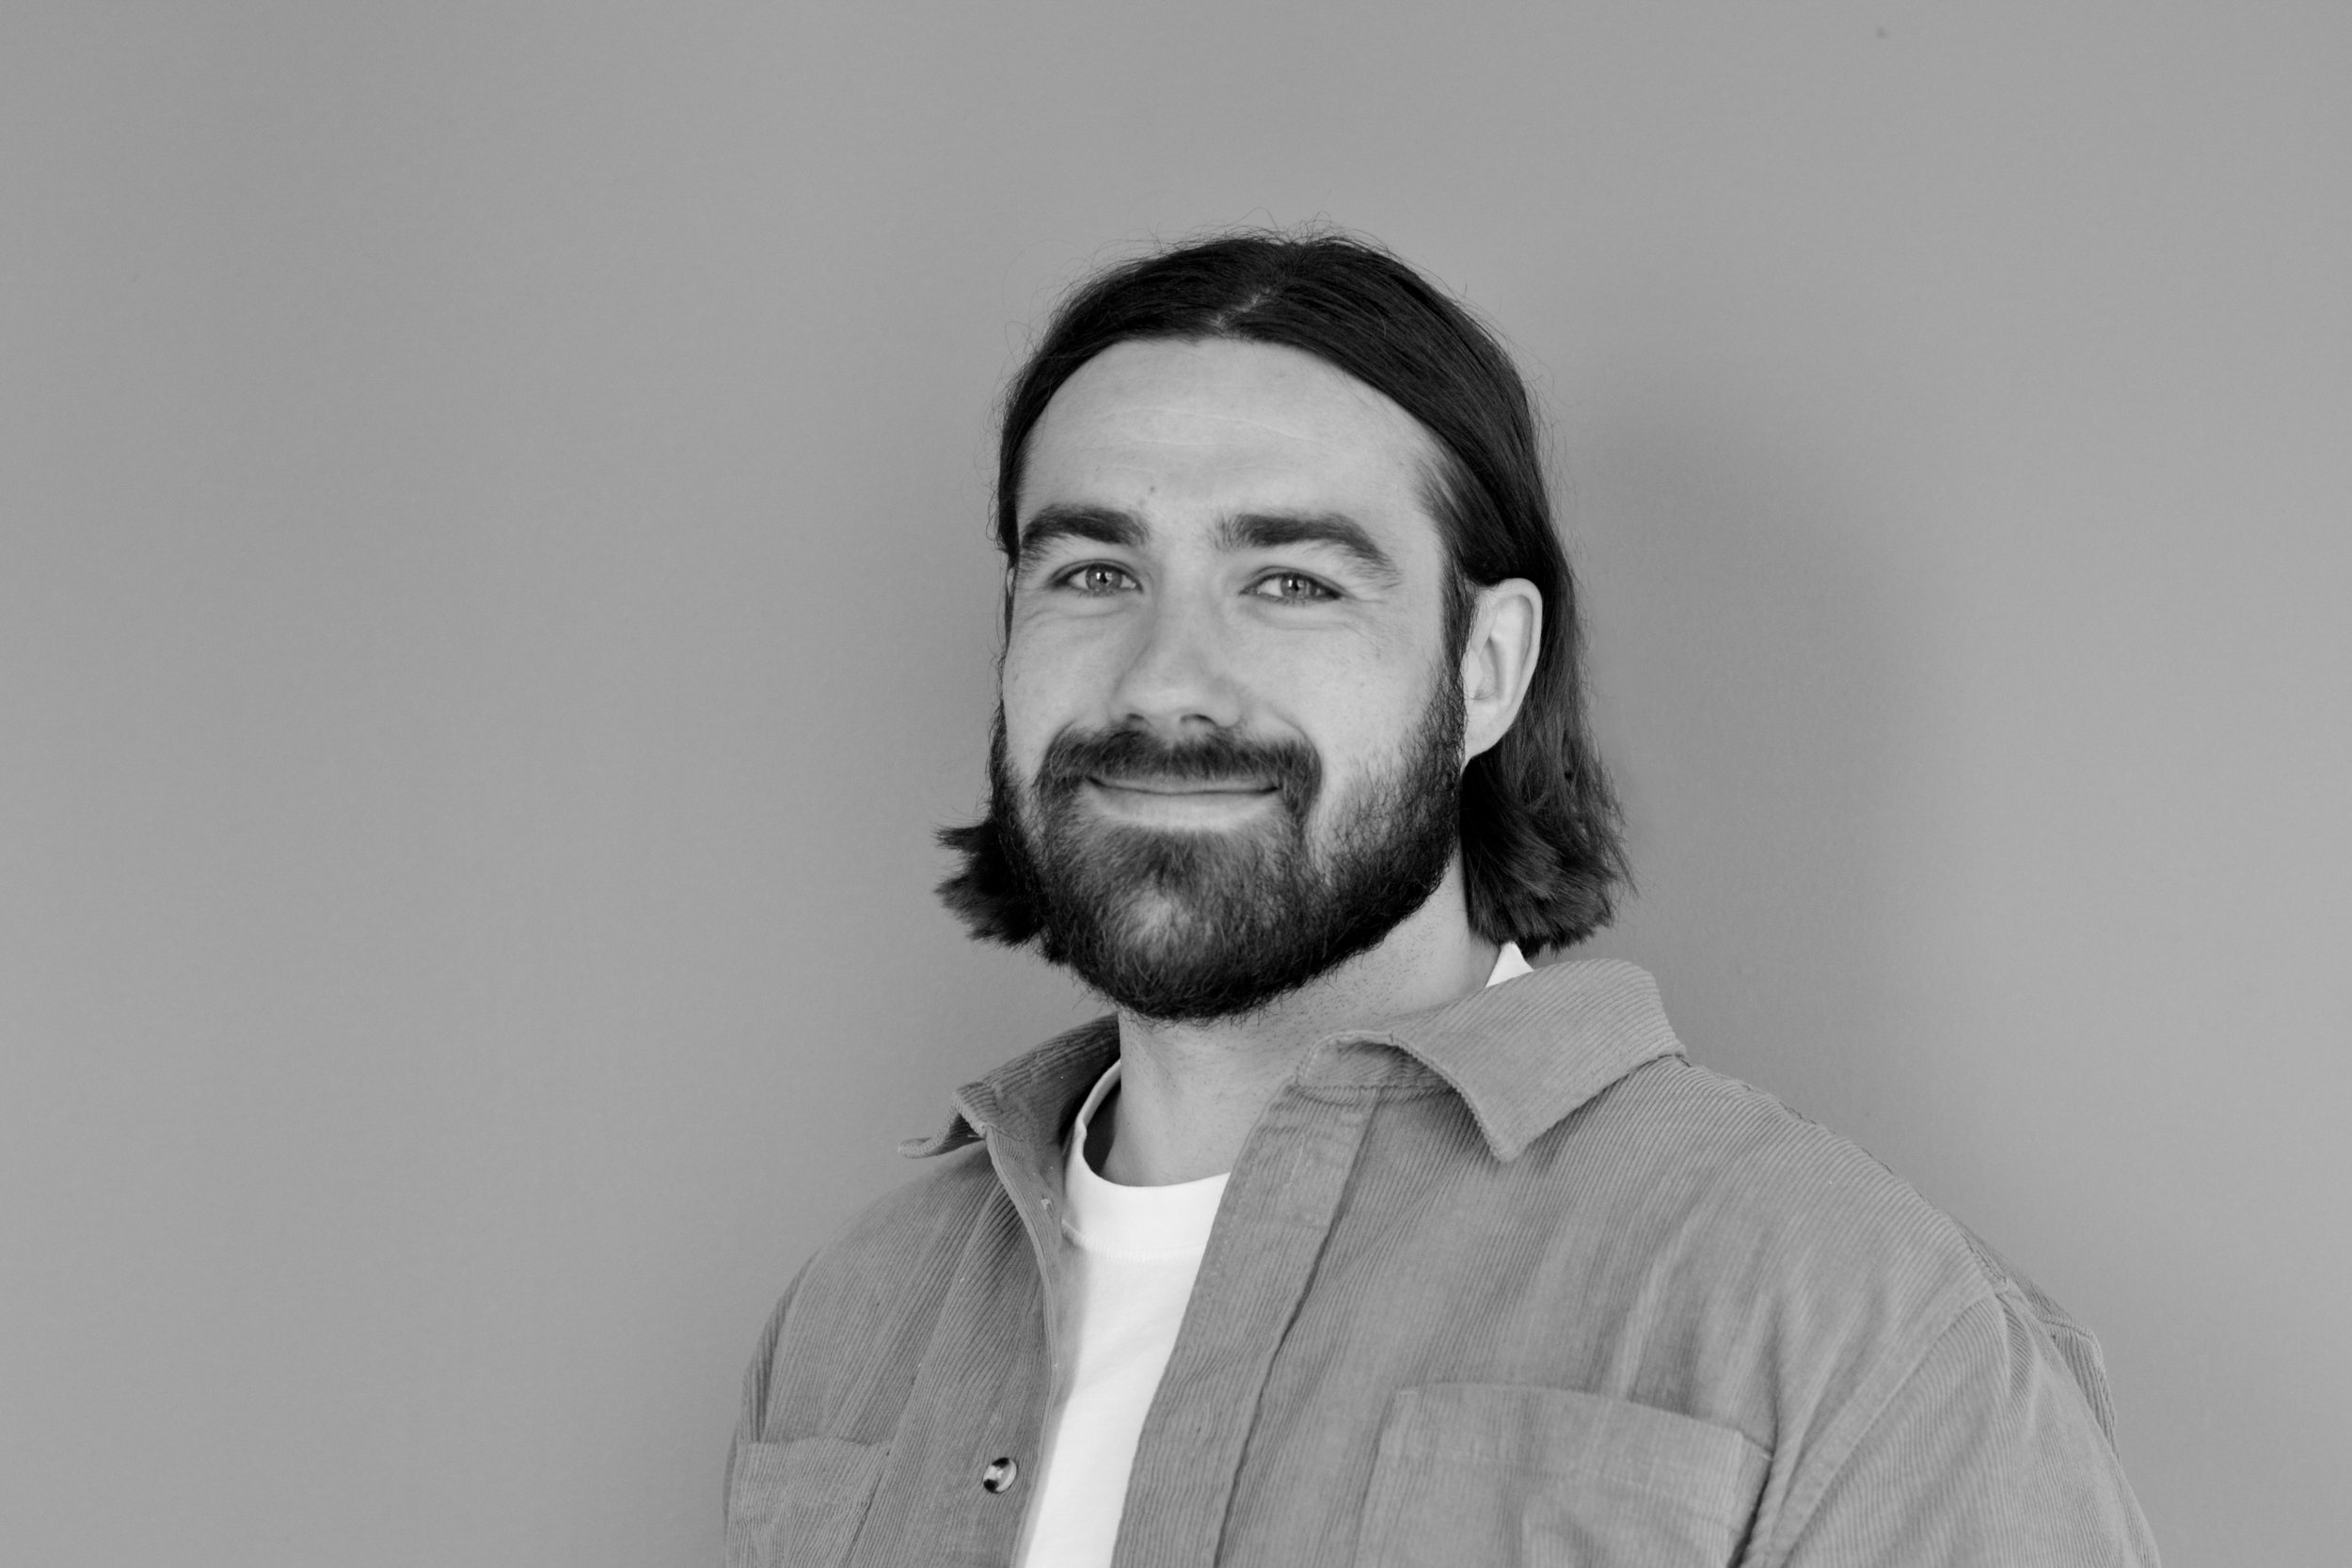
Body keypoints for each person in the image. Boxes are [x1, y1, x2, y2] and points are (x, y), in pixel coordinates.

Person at [724, 231, 2158, 1567]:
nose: (1162, 680)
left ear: (1486, 669)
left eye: (1290, 581)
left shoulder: (1854, 1322)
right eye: (1096, 572)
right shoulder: (854, 1321)